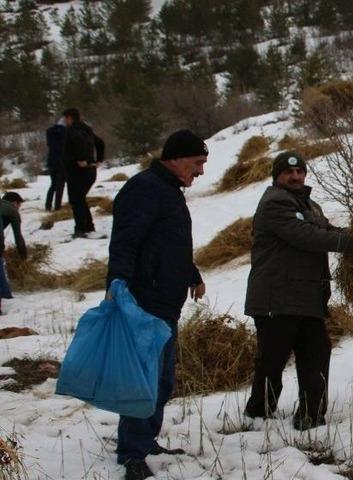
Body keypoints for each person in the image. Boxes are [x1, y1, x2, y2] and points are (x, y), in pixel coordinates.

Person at [106, 129, 208, 480]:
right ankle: (132, 453)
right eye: (197, 163)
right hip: (144, 303)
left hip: (166, 304)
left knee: (162, 381)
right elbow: (125, 241)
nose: (201, 171)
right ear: (175, 159)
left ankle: (145, 440)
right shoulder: (144, 189)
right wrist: (117, 281)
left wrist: (192, 275)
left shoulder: (168, 190)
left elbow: (169, 243)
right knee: (144, 381)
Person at [244, 152, 353, 429]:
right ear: (277, 176)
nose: (295, 176)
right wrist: (351, 243)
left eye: (300, 171)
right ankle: (258, 414)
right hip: (276, 298)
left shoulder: (311, 206)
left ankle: (311, 417)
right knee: (272, 359)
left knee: (317, 353)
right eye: (289, 172)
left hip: (307, 298)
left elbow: (328, 230)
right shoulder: (274, 203)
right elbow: (305, 236)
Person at [61, 108, 105, 239]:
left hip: (77, 171)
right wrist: (99, 159)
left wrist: (81, 159)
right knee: (80, 199)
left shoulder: (72, 130)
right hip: (90, 170)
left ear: (69, 118)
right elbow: (100, 143)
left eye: (65, 118)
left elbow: (78, 141)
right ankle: (88, 226)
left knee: (76, 200)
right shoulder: (87, 129)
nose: (64, 121)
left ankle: (81, 228)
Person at [0, 192, 28, 315]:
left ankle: (6, 294)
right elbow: (18, 237)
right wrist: (23, 256)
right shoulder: (12, 210)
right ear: (15, 203)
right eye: (19, 205)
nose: (18, 208)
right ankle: (6, 294)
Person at [45, 118, 66, 211]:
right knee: (60, 185)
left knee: (53, 184)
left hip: (51, 161)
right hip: (61, 162)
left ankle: (48, 205)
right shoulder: (65, 132)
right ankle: (57, 206)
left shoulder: (50, 132)